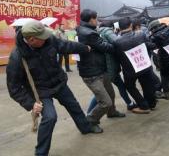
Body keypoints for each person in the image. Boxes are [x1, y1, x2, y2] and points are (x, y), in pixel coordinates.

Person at [7, 19, 102, 156]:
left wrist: (84, 48)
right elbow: (13, 87)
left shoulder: (49, 39)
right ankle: (41, 152)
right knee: (50, 117)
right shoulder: (17, 56)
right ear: (32, 40)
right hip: (41, 92)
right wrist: (30, 103)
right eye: (43, 37)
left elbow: (66, 46)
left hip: (59, 83)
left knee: (73, 105)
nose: (47, 38)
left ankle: (85, 127)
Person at [76, 9, 125, 126]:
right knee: (105, 102)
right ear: (91, 19)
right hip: (92, 73)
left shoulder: (84, 30)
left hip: (99, 69)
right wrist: (118, 44)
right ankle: (91, 120)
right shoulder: (89, 33)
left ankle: (111, 113)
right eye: (96, 18)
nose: (97, 21)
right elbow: (105, 47)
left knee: (111, 94)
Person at [87, 21, 136, 113]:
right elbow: (118, 41)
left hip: (106, 66)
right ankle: (89, 114)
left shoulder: (98, 33)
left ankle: (129, 103)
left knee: (120, 86)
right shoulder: (107, 31)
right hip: (109, 67)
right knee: (102, 93)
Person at [114, 17, 158, 113]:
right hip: (144, 64)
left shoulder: (117, 42)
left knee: (130, 86)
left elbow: (117, 56)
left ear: (120, 28)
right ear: (130, 25)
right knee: (147, 85)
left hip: (129, 70)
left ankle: (143, 105)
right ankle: (151, 104)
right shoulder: (141, 34)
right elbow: (149, 45)